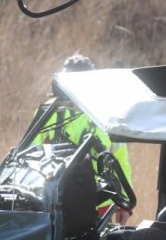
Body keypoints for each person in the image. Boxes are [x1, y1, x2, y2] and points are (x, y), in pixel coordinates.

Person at [32, 53, 133, 224]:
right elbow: (32, 157)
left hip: (100, 205)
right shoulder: (46, 113)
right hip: (55, 202)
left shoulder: (107, 114)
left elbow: (120, 161)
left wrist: (125, 204)